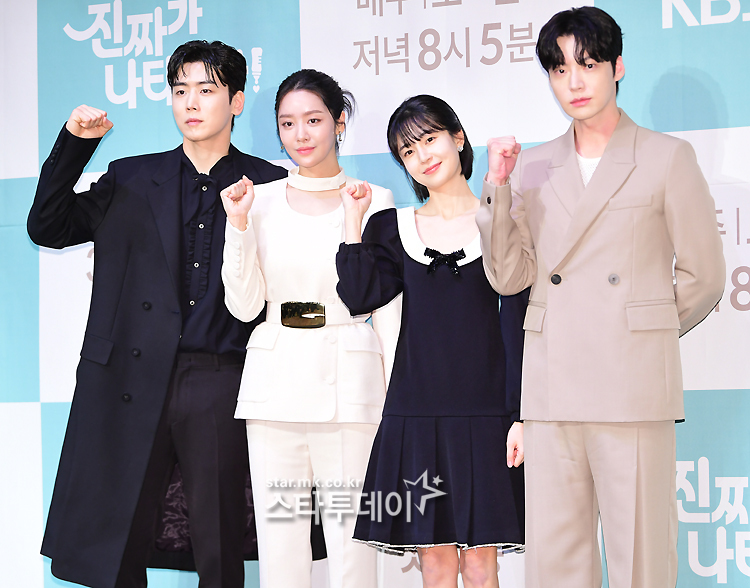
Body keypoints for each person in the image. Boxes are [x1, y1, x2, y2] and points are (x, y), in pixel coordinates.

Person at [476, 7, 726, 588]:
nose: (575, 82)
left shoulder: (666, 157)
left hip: (631, 385)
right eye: (560, 69)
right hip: (551, 386)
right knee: (556, 560)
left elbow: (705, 276)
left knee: (642, 557)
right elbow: (508, 276)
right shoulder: (532, 165)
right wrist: (496, 186)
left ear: (618, 67)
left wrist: (640, 330)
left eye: (587, 65)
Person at [28, 40, 287, 588]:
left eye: (207, 89)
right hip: (128, 377)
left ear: (237, 101)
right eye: (180, 90)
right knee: (117, 539)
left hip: (221, 377)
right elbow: (47, 227)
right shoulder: (130, 177)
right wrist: (76, 145)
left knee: (220, 544)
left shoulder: (268, 184)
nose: (191, 102)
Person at [335, 95, 528, 588]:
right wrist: (352, 220)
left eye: (429, 138)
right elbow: (360, 297)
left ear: (458, 138)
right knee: (436, 564)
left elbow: (517, 323)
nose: (422, 155)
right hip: (416, 414)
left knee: (482, 565)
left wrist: (519, 413)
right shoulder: (392, 227)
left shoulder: (501, 220)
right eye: (407, 150)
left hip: (487, 413)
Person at [219, 69, 396, 588]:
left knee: (351, 544)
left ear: (339, 122)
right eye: (288, 123)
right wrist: (237, 225)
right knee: (280, 545)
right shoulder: (256, 199)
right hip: (274, 388)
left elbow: (386, 309)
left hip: (350, 385)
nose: (300, 134)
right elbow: (244, 305)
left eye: (314, 120)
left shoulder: (374, 198)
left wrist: (396, 394)